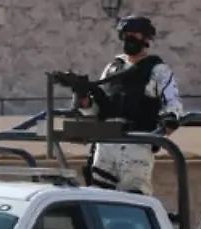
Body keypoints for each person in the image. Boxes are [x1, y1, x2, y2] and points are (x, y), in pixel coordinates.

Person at [78, 15, 183, 195]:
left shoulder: (157, 70)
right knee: (98, 200)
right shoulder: (112, 68)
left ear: (146, 39)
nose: (130, 39)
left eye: (135, 34)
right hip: (106, 146)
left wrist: (169, 121)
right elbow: (97, 109)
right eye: (126, 34)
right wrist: (84, 100)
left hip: (136, 145)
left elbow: (173, 103)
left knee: (134, 199)